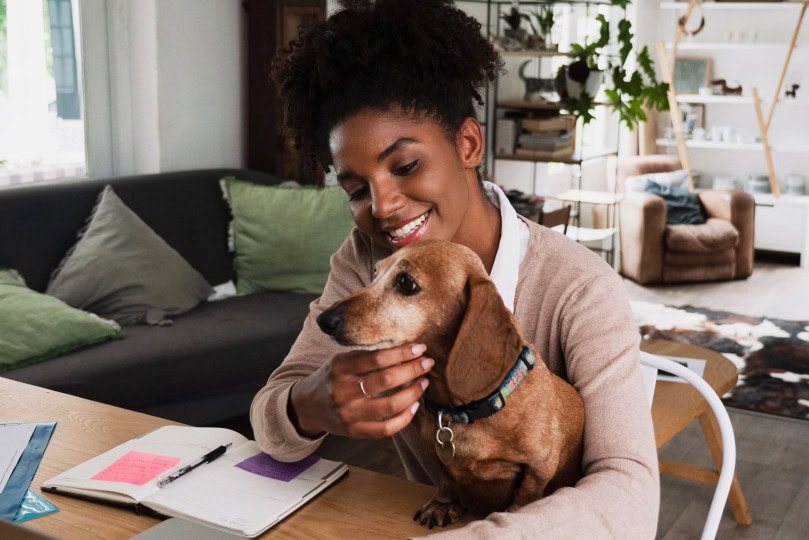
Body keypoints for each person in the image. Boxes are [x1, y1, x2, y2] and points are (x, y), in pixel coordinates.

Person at [250, 0, 659, 536]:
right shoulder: (366, 261)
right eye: (355, 189)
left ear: (468, 143)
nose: (383, 206)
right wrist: (308, 408)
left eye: (406, 166)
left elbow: (629, 493)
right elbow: (270, 413)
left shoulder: (580, 289)